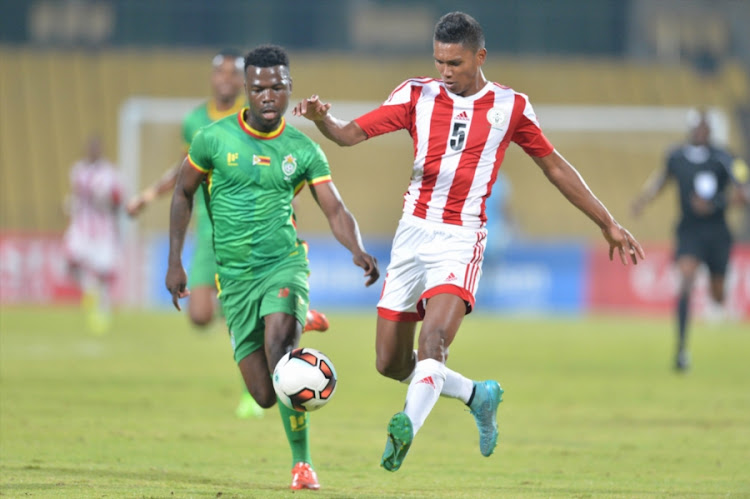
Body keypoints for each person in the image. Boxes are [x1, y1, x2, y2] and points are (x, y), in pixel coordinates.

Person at [294, 11, 644, 472]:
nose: (445, 72)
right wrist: (323, 119)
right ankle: (478, 394)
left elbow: (554, 166)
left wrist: (606, 221)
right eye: (439, 61)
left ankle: (405, 428)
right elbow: (348, 134)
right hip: (412, 234)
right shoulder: (415, 95)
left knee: (434, 340)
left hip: (461, 238)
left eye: (454, 63)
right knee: (390, 363)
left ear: (479, 57)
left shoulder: (510, 107)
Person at [166, 44, 380, 491]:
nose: (268, 95)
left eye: (277, 88)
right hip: (236, 280)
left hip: (283, 265)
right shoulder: (212, 138)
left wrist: (356, 249)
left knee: (283, 357)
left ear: (289, 90)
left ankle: (302, 465)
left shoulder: (302, 149)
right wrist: (175, 262)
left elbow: (334, 208)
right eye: (259, 87)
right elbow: (182, 192)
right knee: (264, 395)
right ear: (246, 89)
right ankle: (304, 320)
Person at [126, 48, 328, 419]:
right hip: (212, 230)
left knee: (264, 340)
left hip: (260, 240)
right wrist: (149, 194)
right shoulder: (199, 123)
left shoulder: (260, 118)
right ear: (213, 78)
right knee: (201, 314)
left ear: (242, 81)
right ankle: (275, 319)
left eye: (232, 75)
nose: (226, 80)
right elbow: (183, 171)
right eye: (219, 73)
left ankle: (278, 318)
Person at [632, 109, 749, 371]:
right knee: (685, 279)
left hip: (718, 232)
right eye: (697, 127)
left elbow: (744, 192)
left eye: (705, 127)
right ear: (690, 129)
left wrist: (716, 204)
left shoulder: (725, 157)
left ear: (710, 130)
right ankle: (681, 351)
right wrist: (643, 201)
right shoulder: (676, 156)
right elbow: (661, 180)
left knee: (718, 295)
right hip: (690, 230)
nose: (700, 132)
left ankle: (718, 299)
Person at [63, 135, 125, 334]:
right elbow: (77, 197)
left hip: (103, 230)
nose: (93, 151)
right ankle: (89, 290)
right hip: (81, 226)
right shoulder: (77, 170)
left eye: (96, 148)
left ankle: (103, 310)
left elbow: (117, 201)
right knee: (71, 262)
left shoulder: (110, 174)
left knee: (104, 273)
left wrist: (107, 202)